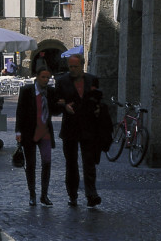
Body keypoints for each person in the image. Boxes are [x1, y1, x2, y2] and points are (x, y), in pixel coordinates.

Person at [54, 54, 102, 208]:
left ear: (82, 65)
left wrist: (98, 108)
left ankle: (91, 194)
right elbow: (56, 102)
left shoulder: (92, 80)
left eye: (75, 66)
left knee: (89, 162)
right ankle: (72, 195)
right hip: (70, 128)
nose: (73, 69)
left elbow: (98, 99)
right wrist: (64, 106)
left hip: (88, 127)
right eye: (70, 67)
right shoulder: (62, 81)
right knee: (71, 164)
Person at [15, 67, 58, 207]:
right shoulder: (27, 91)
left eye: (48, 77)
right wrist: (18, 131)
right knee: (31, 164)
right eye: (43, 77)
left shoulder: (51, 92)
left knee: (47, 161)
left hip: (45, 132)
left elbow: (55, 110)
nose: (46, 80)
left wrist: (62, 105)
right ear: (37, 77)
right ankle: (32, 194)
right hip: (29, 133)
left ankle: (44, 195)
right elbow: (20, 111)